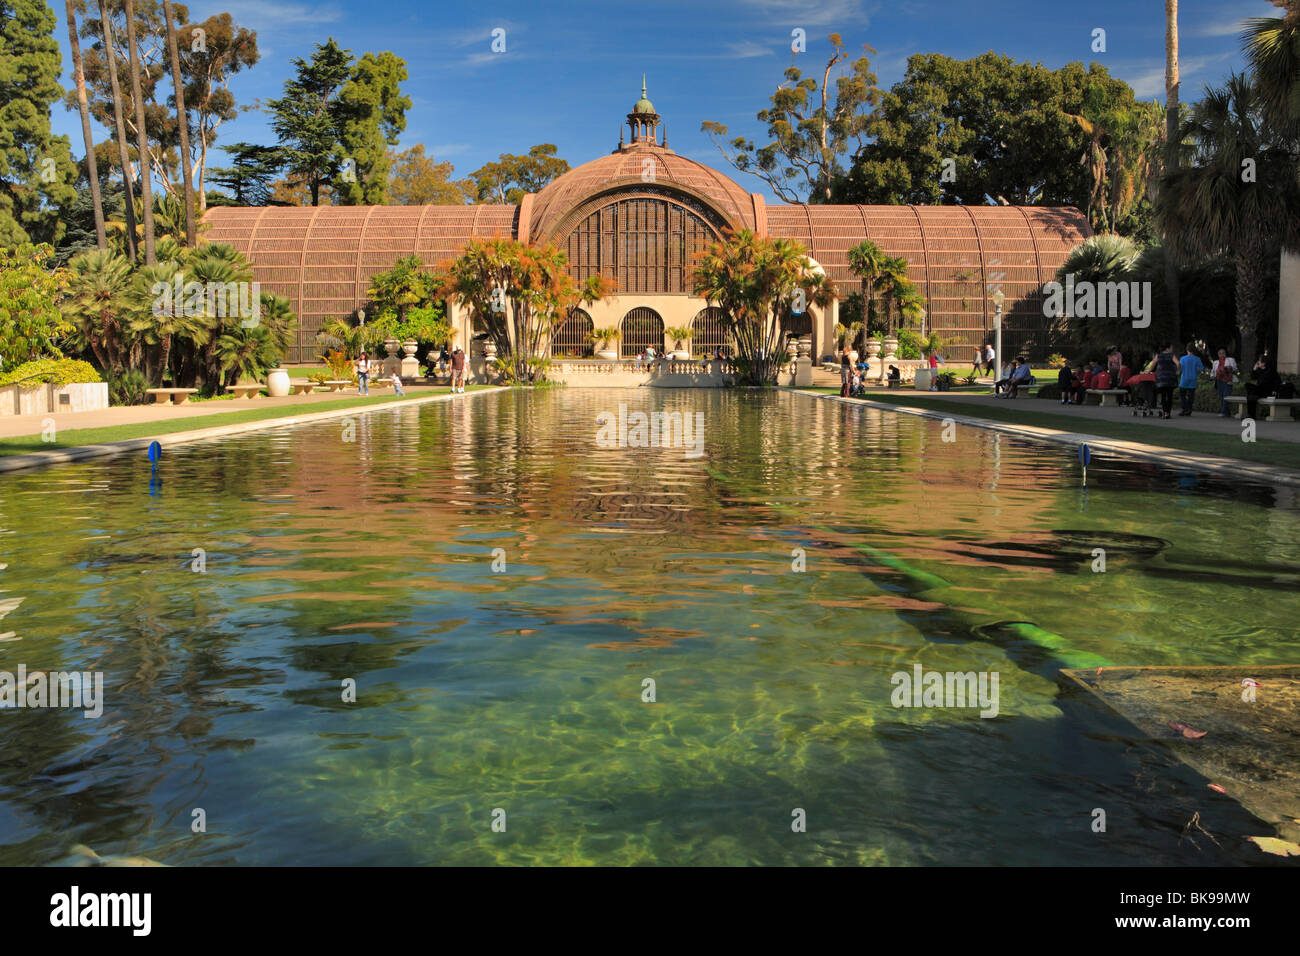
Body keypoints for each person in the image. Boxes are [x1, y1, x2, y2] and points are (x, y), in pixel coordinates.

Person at [1245, 355, 1281, 420]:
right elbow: (1253, 377)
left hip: (1267, 391)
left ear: (1264, 363)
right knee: (1248, 389)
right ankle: (1251, 415)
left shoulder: (1271, 371)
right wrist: (1254, 368)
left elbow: (1278, 382)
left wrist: (1275, 390)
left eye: (1259, 361)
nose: (1258, 362)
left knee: (1251, 395)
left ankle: (1251, 415)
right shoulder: (1260, 370)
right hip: (1259, 390)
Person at [1153, 344, 1179, 419]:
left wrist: (1147, 371)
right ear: (1167, 349)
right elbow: (1178, 363)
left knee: (1163, 396)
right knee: (1170, 396)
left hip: (1161, 379)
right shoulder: (1171, 355)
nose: (1172, 349)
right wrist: (1178, 370)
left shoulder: (1158, 355)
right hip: (1170, 378)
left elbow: (1153, 364)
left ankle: (1165, 412)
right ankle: (1168, 412)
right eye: (1171, 348)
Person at [1209, 348, 1238, 416]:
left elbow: (1235, 368)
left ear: (1225, 353)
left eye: (1223, 353)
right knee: (1221, 396)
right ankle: (1225, 412)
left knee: (1226, 395)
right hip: (1219, 380)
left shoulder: (1230, 360)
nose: (1222, 355)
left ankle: (1224, 411)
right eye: (1220, 353)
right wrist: (1212, 376)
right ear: (1218, 355)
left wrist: (1229, 368)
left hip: (1228, 380)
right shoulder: (1216, 362)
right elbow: (1213, 371)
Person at [1178, 344, 1205, 416]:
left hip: (1184, 379)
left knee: (1182, 395)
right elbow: (1201, 369)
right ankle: (1189, 409)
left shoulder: (1182, 358)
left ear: (1187, 350)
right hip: (1193, 379)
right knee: (1191, 396)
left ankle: (1184, 409)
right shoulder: (1197, 359)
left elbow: (1179, 368)